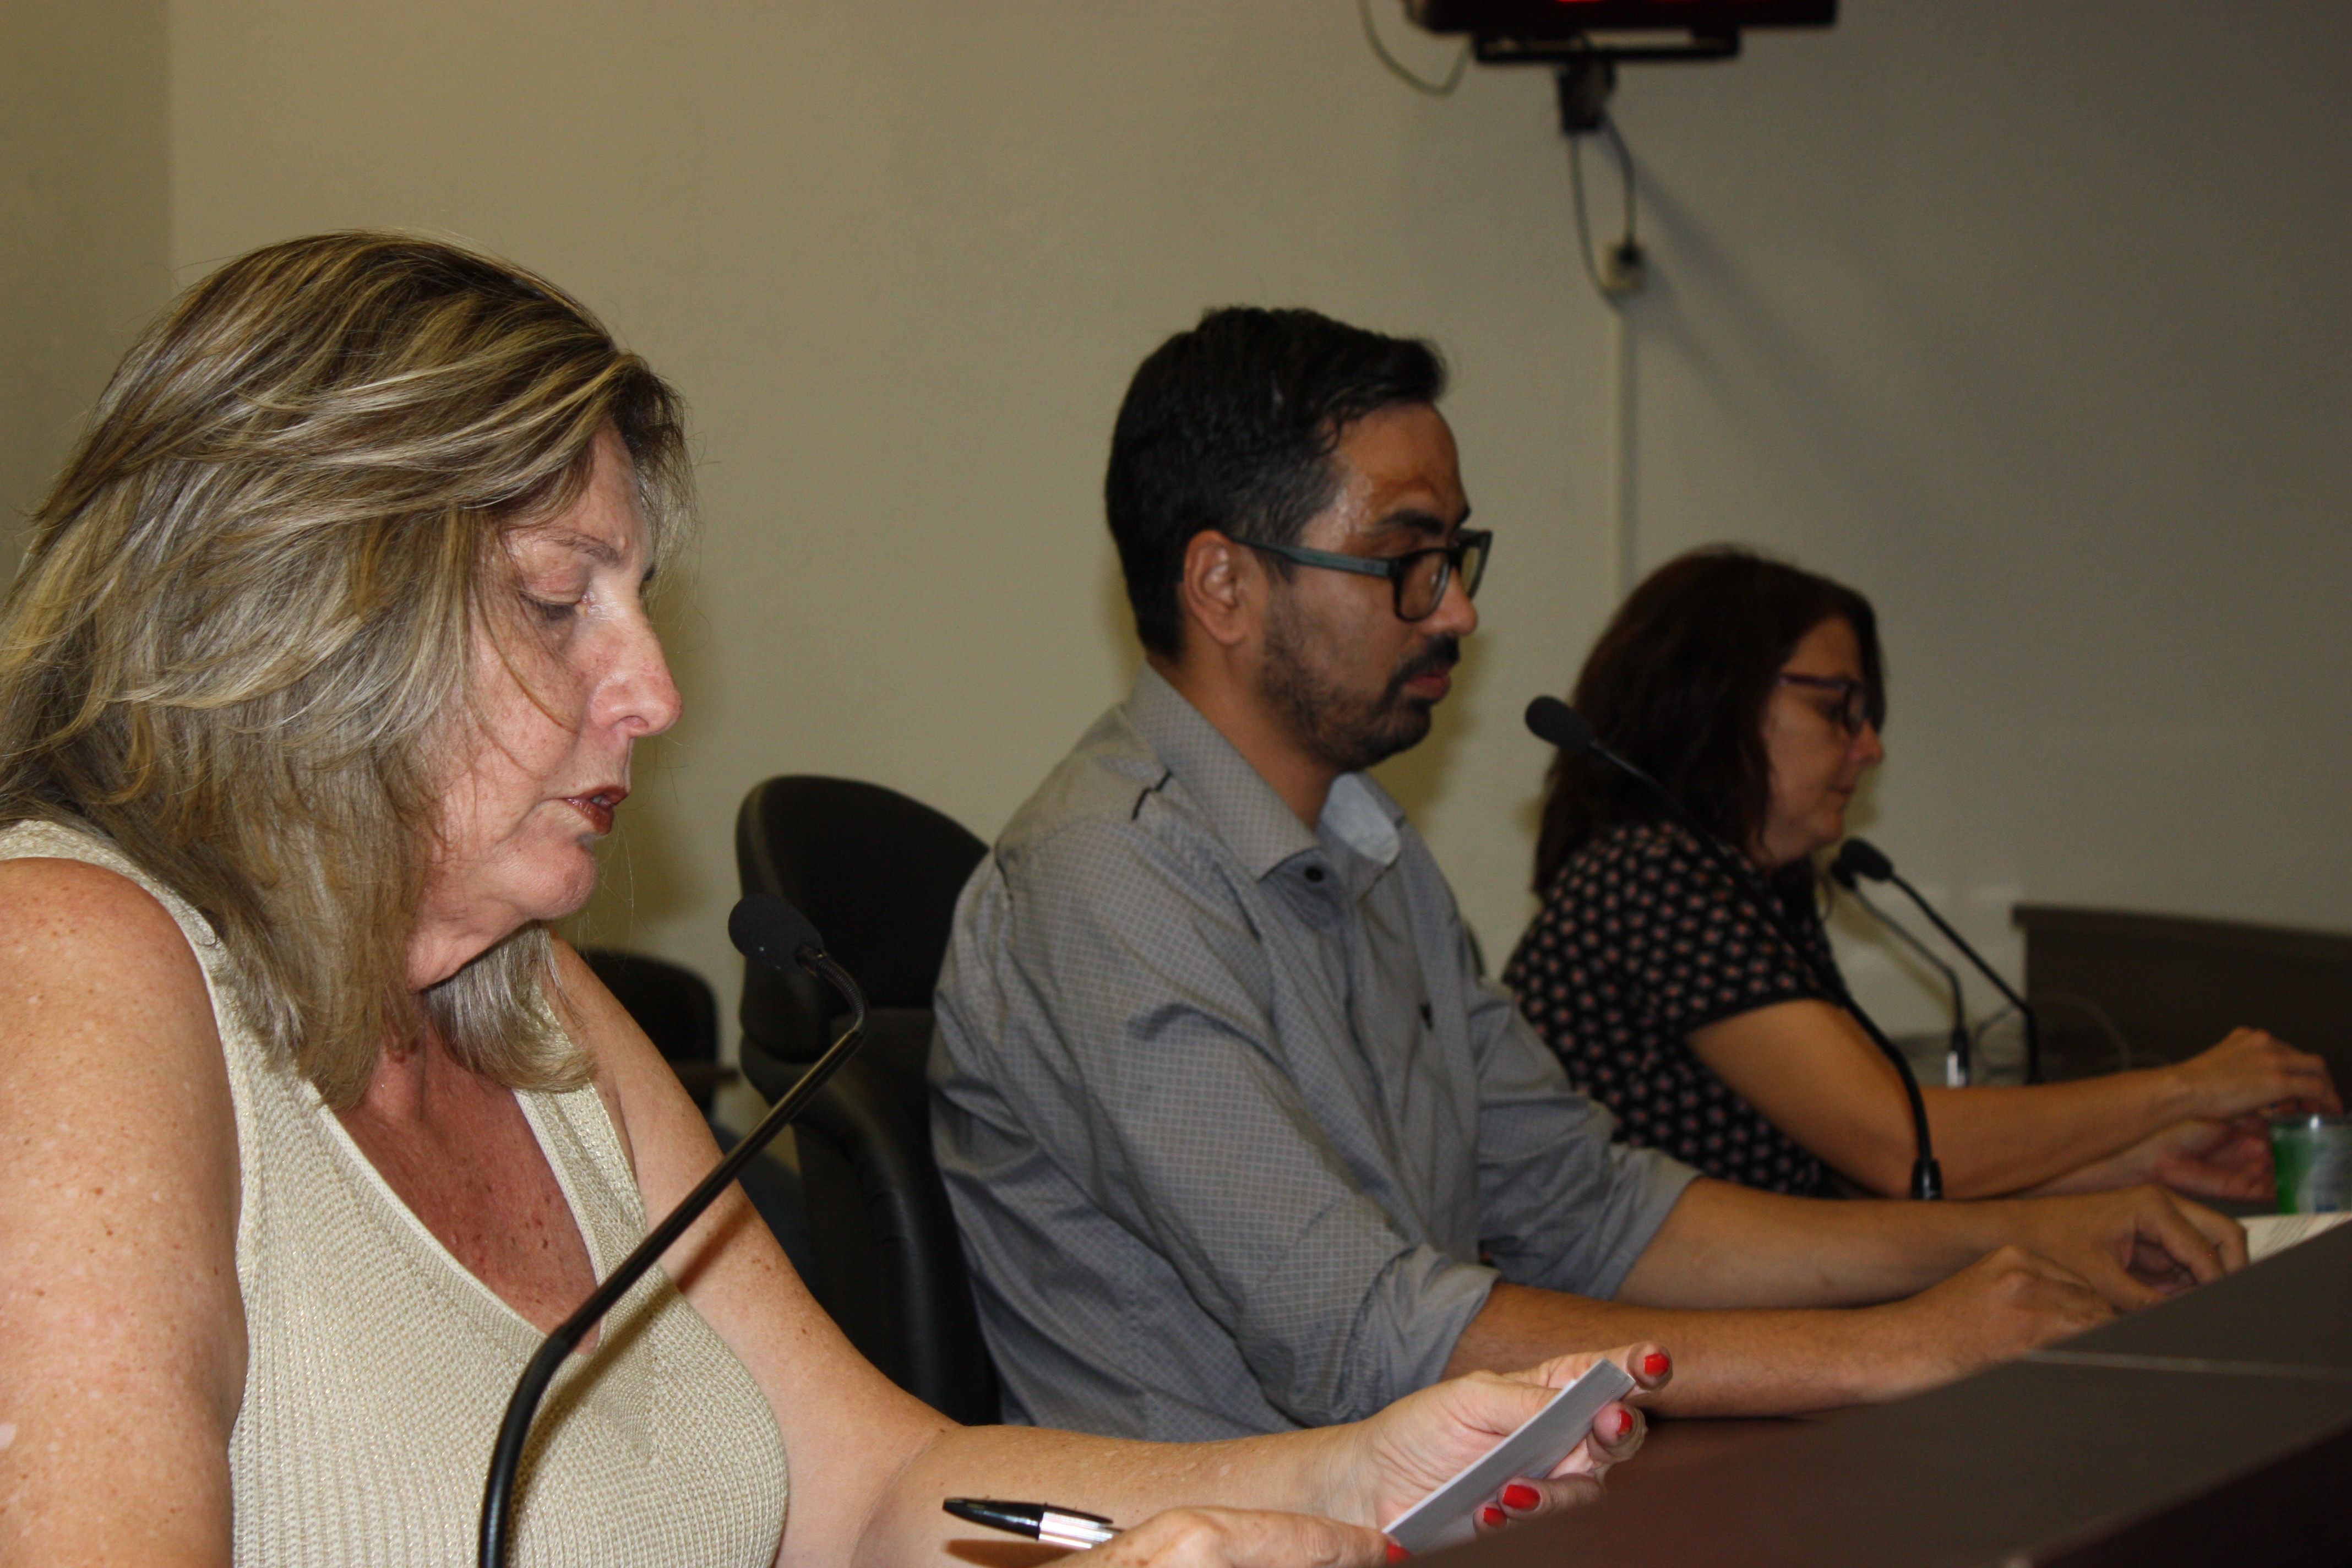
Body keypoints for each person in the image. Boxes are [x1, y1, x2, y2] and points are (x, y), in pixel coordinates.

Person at [0, 235, 1661, 1566]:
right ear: (288, 607)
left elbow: (873, 1491)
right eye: (558, 599)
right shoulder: (72, 962)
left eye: (637, 600)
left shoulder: (532, 999)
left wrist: (1350, 1475)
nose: (653, 690)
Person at [930, 306, 2249, 1446]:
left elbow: (1599, 1212)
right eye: (1406, 560)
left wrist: (2013, 1239)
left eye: (1457, 557)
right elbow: (1363, 1329)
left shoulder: (1373, 853)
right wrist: (1893, 1345)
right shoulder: (1105, 883)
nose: (1458, 609)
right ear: (1222, 583)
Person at [1503, 547, 2340, 1200]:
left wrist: (2145, 1166)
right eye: (1838, 709)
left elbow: (1865, 1180)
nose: (1869, 748)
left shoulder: (1755, 894)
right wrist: (2188, 1088)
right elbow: (1898, 1145)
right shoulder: (1651, 878)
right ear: (1714, 697)